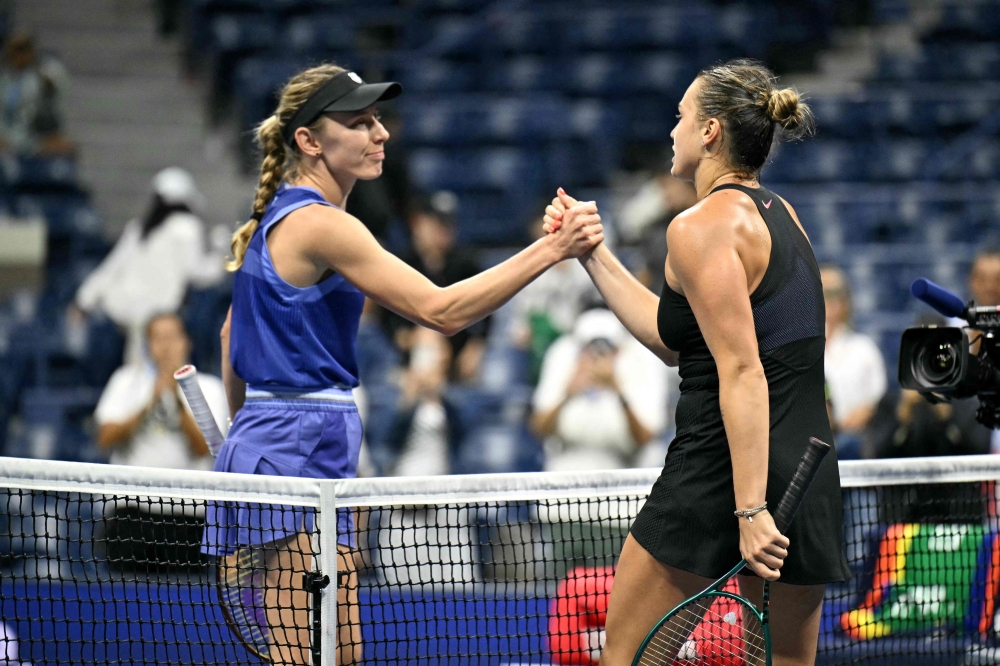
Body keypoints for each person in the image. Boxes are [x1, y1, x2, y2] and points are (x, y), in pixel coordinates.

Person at [203, 64, 603, 665]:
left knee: (344, 653)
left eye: (378, 119)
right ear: (310, 141)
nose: (379, 132)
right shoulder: (320, 224)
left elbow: (231, 333)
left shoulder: (282, 218)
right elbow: (441, 311)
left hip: (301, 437)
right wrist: (553, 248)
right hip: (291, 441)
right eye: (358, 122)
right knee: (302, 656)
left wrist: (240, 429)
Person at [544, 59, 850, 666]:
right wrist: (593, 254)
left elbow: (741, 371)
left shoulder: (698, 226)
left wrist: (750, 508)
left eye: (681, 116)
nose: (672, 130)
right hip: (804, 469)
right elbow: (675, 340)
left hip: (722, 475)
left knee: (628, 661)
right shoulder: (782, 217)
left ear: (710, 131)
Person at [74, 167, 227, 364]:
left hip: (132, 320)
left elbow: (110, 269)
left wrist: (83, 299)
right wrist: (222, 256)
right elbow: (199, 273)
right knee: (158, 373)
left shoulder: (138, 228)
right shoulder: (185, 227)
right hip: (160, 319)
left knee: (138, 371)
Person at [531, 308, 669, 471]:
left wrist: (618, 392)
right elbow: (539, 428)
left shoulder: (642, 359)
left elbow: (645, 437)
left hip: (625, 471)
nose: (598, 354)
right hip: (566, 468)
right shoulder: (562, 353)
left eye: (606, 347)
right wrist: (568, 393)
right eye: (589, 347)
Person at [94, 313, 227, 470]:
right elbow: (104, 440)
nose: (166, 346)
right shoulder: (125, 380)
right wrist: (148, 405)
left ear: (187, 342)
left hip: (189, 491)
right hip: (132, 490)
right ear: (147, 346)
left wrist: (177, 401)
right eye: (157, 338)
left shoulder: (211, 387)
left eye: (172, 337)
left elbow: (207, 450)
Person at [820, 264, 887, 457]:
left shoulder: (864, 348)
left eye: (834, 293)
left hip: (858, 440)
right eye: (821, 291)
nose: (828, 300)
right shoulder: (800, 351)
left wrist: (862, 414)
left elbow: (879, 400)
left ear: (845, 300)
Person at [0, 34, 72, 155]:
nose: (18, 57)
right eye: (14, 53)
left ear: (30, 51)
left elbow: (59, 87)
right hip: (9, 135)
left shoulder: (45, 71)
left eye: (22, 51)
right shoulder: (5, 78)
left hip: (39, 134)